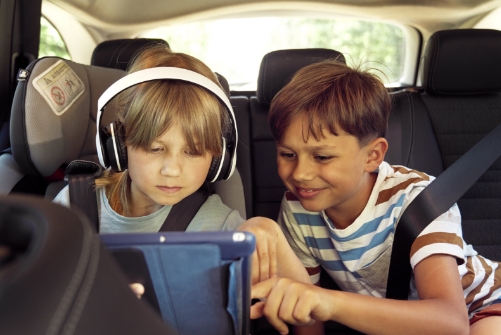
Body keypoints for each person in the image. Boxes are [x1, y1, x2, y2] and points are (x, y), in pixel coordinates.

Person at [248, 60, 501, 335]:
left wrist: (329, 302)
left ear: (373, 156)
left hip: (482, 307)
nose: (301, 174)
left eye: (322, 157)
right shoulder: (298, 207)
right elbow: (308, 308)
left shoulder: (419, 199)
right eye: (287, 154)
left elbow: (451, 322)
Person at [53, 45, 246, 233]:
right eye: (155, 149)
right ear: (120, 145)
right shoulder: (75, 205)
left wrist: (263, 230)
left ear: (218, 159)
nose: (171, 170)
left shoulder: (223, 226)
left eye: (192, 152)